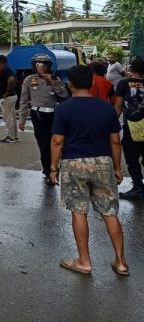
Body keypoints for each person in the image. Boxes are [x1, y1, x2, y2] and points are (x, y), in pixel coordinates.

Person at [49, 65, 128, 276]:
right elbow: (115, 141)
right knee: (109, 212)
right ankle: (120, 262)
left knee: (79, 211)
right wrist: (117, 168)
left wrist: (53, 168)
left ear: (70, 84)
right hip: (103, 162)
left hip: (73, 164)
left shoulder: (63, 109)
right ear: (92, 83)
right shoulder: (106, 108)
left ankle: (84, 261)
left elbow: (57, 141)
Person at [18, 53, 69, 184]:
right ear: (34, 65)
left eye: (44, 64)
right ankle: (47, 171)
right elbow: (24, 100)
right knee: (43, 144)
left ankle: (57, 168)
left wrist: (52, 81)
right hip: (38, 115)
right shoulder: (29, 80)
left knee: (57, 143)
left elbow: (64, 95)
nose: (41, 66)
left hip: (53, 114)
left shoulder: (55, 78)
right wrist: (22, 119)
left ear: (48, 65)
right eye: (38, 64)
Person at [114, 55, 144, 200]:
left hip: (131, 127)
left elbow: (119, 105)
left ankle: (138, 187)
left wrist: (112, 123)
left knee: (132, 158)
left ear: (131, 69)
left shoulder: (124, 83)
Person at [0, 55, 19, 143]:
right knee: (12, 117)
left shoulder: (5, 69)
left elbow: (12, 80)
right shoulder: (8, 68)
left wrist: (7, 92)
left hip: (8, 97)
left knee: (8, 118)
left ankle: (11, 137)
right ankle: (14, 136)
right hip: (12, 96)